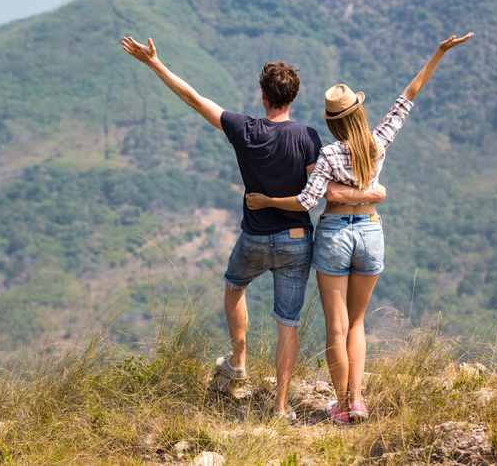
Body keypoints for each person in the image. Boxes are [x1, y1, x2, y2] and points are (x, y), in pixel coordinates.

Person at [121, 35, 385, 420]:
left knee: (234, 285)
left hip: (255, 237)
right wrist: (371, 194)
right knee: (288, 323)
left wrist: (155, 64)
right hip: (297, 241)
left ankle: (239, 361)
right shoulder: (309, 137)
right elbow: (322, 190)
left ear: (264, 96)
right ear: (292, 98)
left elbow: (194, 99)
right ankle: (280, 407)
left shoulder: (243, 130)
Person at [246, 33, 473, 424]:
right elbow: (408, 96)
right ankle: (358, 401)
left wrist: (265, 201)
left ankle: (339, 406)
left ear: (332, 122)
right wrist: (438, 52)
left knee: (335, 327)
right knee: (357, 323)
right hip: (370, 232)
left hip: (334, 233)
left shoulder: (329, 153)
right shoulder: (377, 143)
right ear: (360, 113)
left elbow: (306, 202)